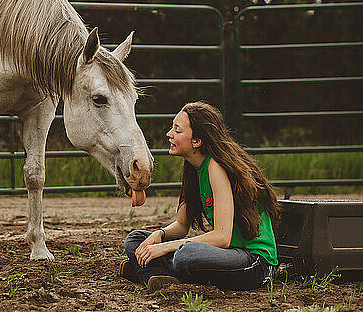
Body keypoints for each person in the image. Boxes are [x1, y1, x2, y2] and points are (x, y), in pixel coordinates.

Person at [120, 101, 280, 291]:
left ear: (196, 141)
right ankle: (156, 275)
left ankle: (150, 271)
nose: (169, 134)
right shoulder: (192, 168)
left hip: (254, 263)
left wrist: (164, 248)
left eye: (177, 131)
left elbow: (222, 237)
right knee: (136, 239)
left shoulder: (216, 167)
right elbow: (181, 226)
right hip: (227, 254)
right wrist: (159, 235)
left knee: (185, 255)